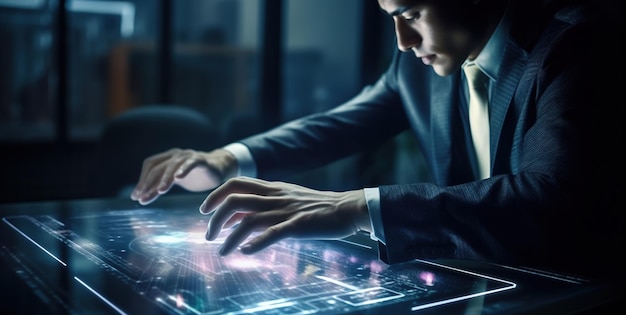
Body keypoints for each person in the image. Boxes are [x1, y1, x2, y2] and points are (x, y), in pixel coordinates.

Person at [130, 0, 624, 282]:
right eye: (390, 15)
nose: (402, 41)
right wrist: (225, 158)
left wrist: (356, 207)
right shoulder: (417, 67)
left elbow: (554, 203)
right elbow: (340, 124)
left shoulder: (574, 46)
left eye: (410, 12)